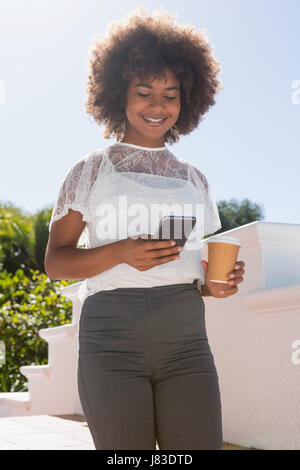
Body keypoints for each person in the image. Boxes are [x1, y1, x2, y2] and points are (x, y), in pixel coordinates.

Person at [45, 6, 245, 450]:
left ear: (188, 99)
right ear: (119, 93)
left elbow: (191, 268)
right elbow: (56, 264)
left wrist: (218, 284)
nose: (158, 106)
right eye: (144, 92)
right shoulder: (90, 170)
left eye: (171, 94)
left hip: (187, 341)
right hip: (111, 340)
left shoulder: (195, 178)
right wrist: (120, 252)